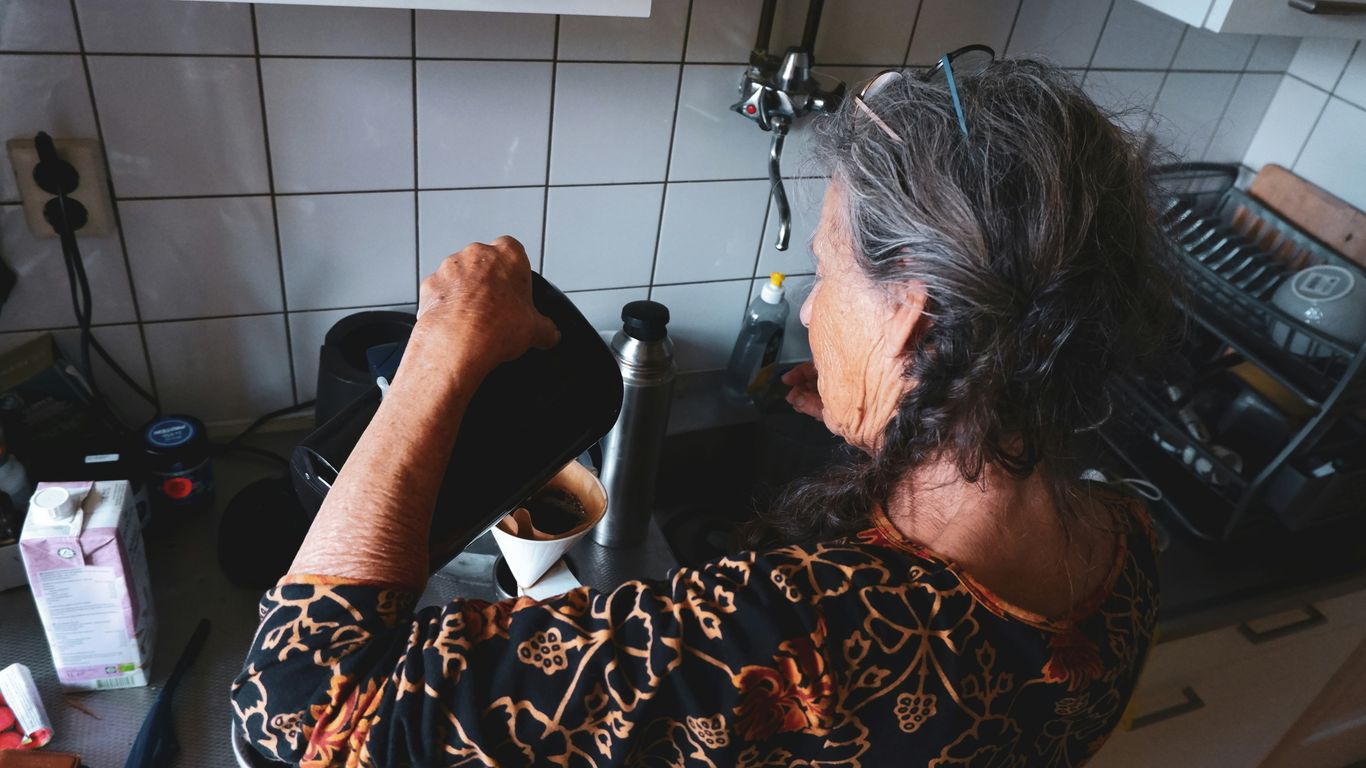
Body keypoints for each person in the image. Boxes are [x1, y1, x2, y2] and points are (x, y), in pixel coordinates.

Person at [232, 57, 1176, 766]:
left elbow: (303, 721)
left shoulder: (801, 632)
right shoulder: (1125, 543)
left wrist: (439, 347)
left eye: (823, 272)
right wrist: (900, 419)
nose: (809, 310)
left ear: (914, 323)